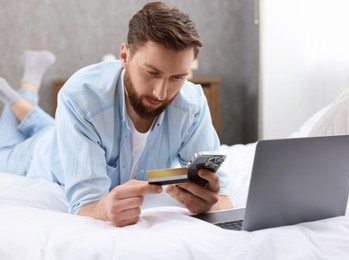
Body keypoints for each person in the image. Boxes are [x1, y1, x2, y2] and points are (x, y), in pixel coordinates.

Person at [0, 2, 232, 227]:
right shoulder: (81, 97)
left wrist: (209, 203)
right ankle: (25, 90)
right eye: (151, 72)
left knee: (52, 125)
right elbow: (86, 205)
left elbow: (224, 198)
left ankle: (21, 98)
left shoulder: (192, 105)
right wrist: (103, 209)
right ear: (124, 56)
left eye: (177, 77)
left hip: (71, 129)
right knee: (4, 151)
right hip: (43, 152)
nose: (160, 93)